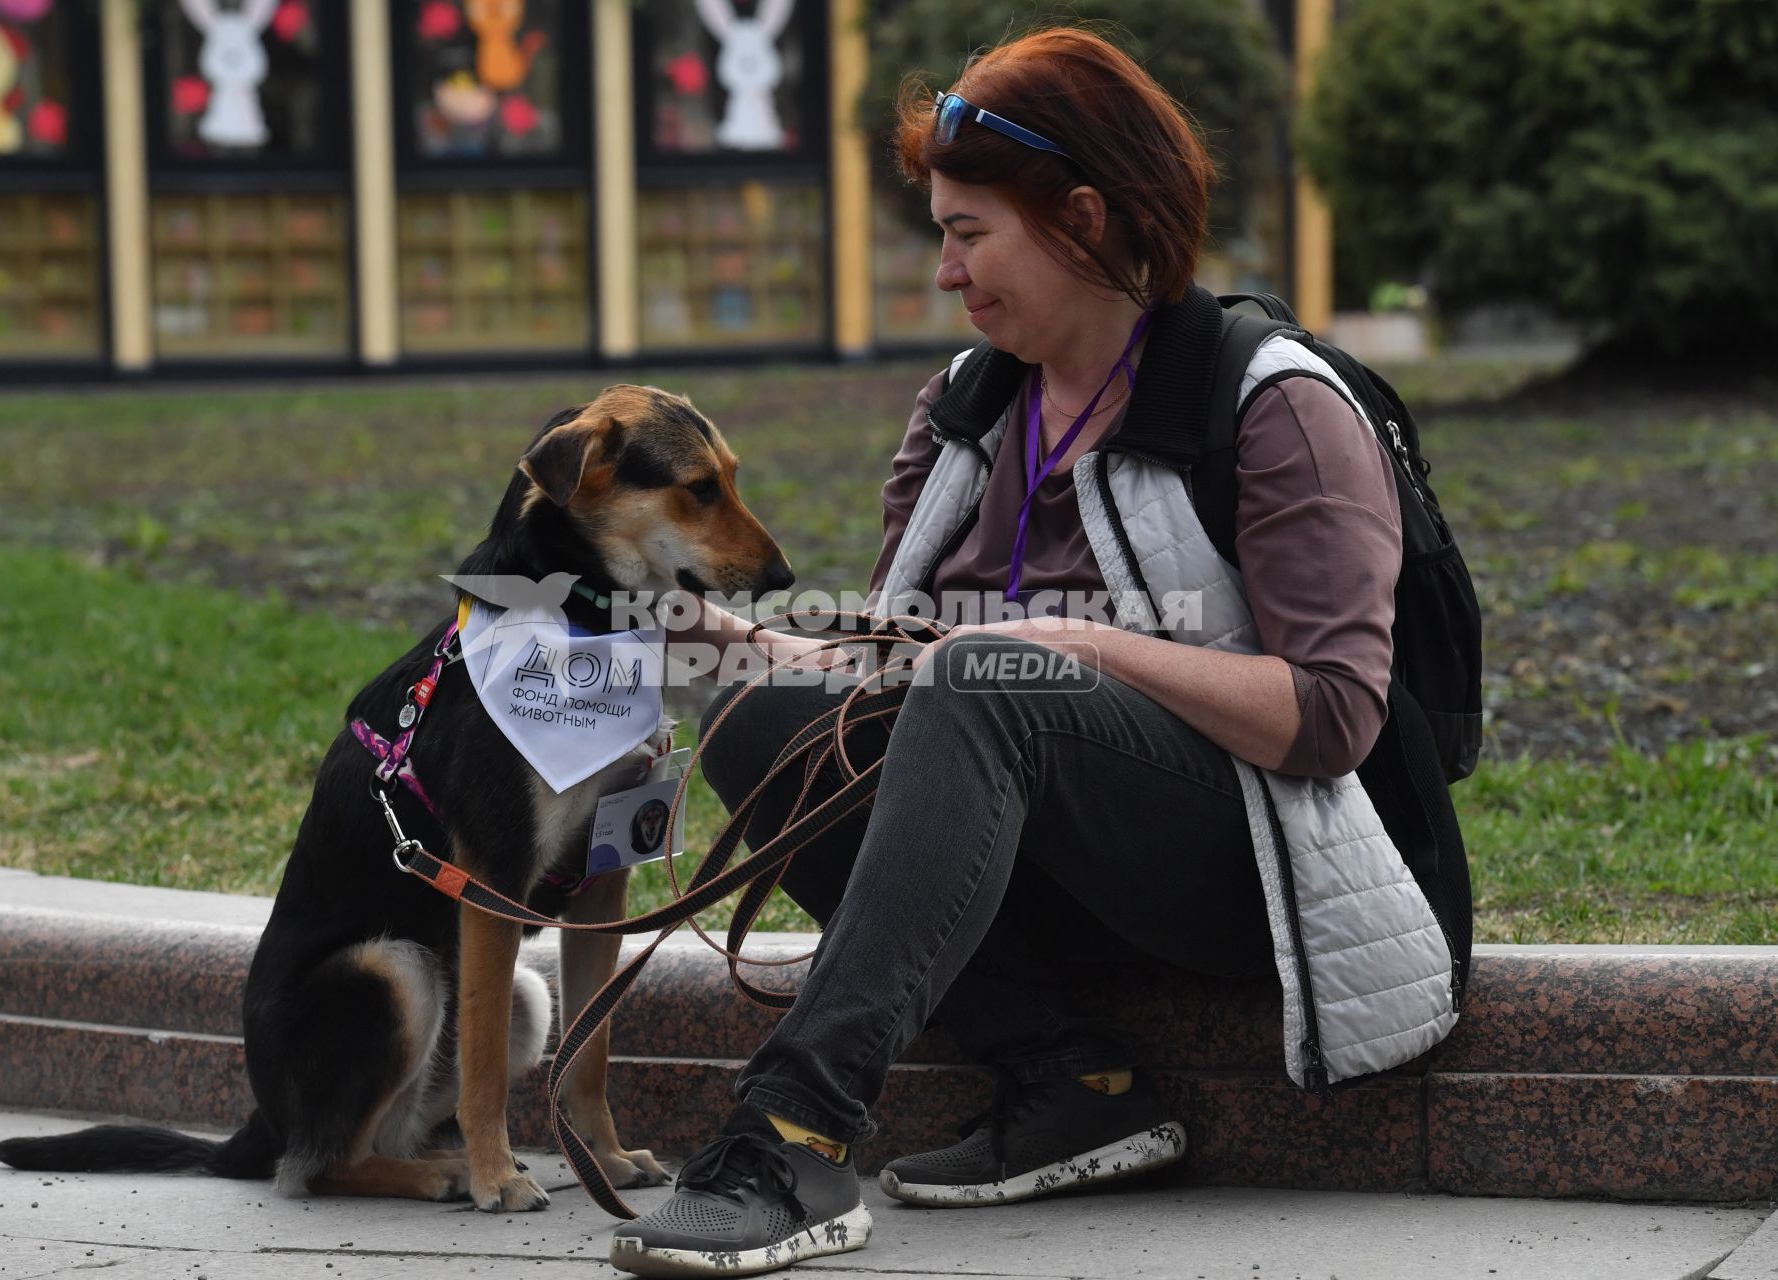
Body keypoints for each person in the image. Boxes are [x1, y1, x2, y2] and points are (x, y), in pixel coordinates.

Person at [613, 26, 1471, 1279]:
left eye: (970, 233)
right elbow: (909, 662)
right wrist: (749, 645)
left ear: (1082, 219)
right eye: (941, 234)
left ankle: (793, 1134)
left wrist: (1086, 647)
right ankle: (1072, 1078)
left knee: (987, 679)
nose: (947, 273)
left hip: (1265, 865)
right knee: (758, 711)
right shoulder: (966, 405)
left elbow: (1334, 714)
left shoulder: (1275, 402)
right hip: (1033, 826)